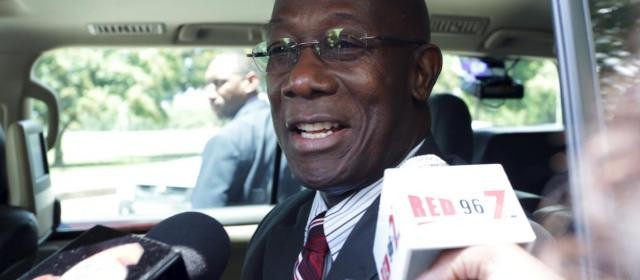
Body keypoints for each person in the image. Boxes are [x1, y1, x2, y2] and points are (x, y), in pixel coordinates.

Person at [241, 0, 549, 279]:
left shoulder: (490, 240)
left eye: (344, 44)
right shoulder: (279, 225)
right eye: (280, 50)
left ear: (420, 73)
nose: (300, 79)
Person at [191, 52, 300, 208]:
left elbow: (203, 214)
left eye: (219, 83)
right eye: (207, 84)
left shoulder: (226, 140)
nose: (210, 94)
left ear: (250, 81)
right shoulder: (292, 125)